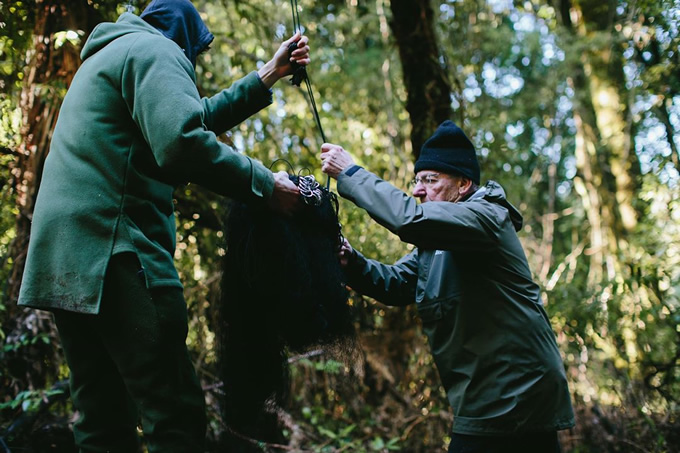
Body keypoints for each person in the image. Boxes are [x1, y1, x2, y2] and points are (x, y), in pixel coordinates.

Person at [17, 0, 310, 451]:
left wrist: (266, 75)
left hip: (64, 260)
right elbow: (181, 142)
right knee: (174, 412)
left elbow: (185, 121)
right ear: (186, 39)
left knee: (102, 419)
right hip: (115, 253)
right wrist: (266, 185)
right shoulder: (159, 51)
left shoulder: (113, 55)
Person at [320, 120, 575, 453]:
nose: (418, 190)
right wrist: (352, 263)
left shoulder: (486, 218)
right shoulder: (436, 244)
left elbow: (410, 219)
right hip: (484, 398)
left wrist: (351, 172)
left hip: (518, 395)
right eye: (416, 181)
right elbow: (396, 284)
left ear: (463, 184)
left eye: (430, 180)